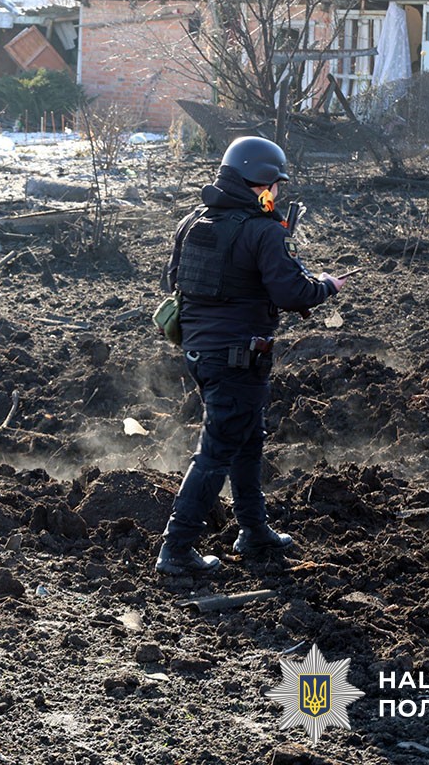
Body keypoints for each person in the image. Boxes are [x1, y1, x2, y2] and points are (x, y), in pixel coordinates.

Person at [155, 136, 348, 576]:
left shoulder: (192, 222)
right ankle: (176, 548)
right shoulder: (262, 231)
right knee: (218, 451)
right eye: (275, 185)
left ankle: (254, 530)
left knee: (246, 440)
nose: (278, 194)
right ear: (259, 183)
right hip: (238, 357)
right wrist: (326, 285)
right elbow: (291, 291)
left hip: (199, 352)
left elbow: (174, 282)